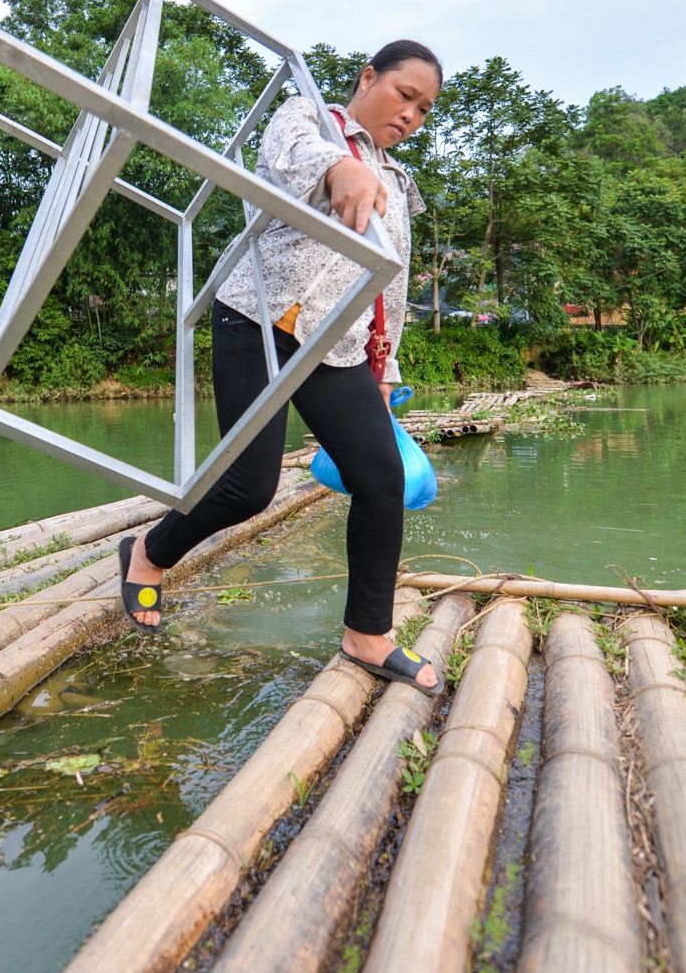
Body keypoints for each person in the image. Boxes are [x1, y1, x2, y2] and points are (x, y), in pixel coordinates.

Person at [119, 40, 444, 693]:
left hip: (339, 344)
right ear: (367, 78)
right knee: (249, 488)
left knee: (380, 479)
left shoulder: (397, 179)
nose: (410, 115)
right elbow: (289, 157)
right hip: (260, 320)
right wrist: (342, 172)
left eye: (424, 109)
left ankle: (366, 635)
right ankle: (148, 556)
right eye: (404, 95)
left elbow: (393, 287)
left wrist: (385, 369)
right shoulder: (310, 119)